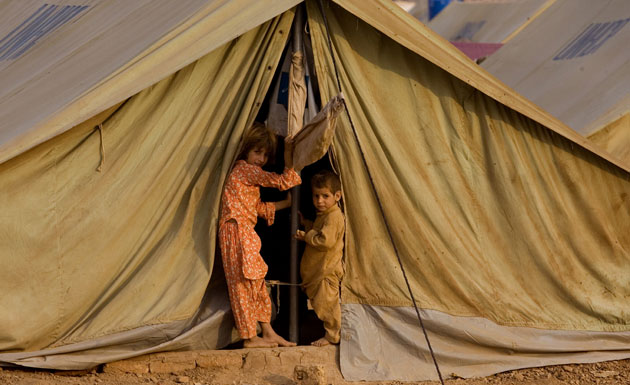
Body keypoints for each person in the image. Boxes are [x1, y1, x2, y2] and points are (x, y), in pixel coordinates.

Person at [218, 122, 301, 348]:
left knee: (257, 282)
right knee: (243, 284)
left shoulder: (245, 178)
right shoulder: (244, 169)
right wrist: (289, 154)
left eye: (265, 154)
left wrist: (286, 204)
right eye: (257, 152)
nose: (261, 159)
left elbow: (257, 208)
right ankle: (250, 337)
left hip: (245, 232)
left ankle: (267, 331)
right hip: (236, 231)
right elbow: (281, 181)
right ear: (246, 150)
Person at [295, 170, 345, 347]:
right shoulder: (324, 216)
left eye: (325, 196)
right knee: (321, 303)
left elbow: (325, 241)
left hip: (326, 271)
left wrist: (306, 235)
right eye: (316, 196)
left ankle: (333, 335)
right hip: (318, 269)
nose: (320, 201)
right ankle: (331, 332)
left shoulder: (334, 217)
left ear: (337, 196)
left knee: (327, 304)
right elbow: (319, 230)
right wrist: (307, 224)